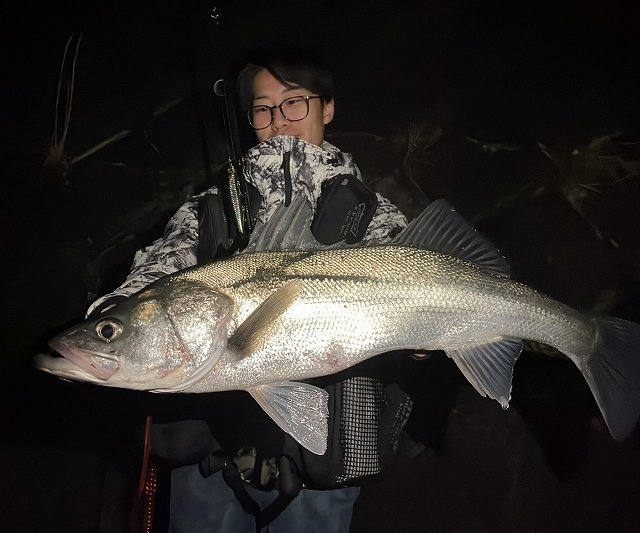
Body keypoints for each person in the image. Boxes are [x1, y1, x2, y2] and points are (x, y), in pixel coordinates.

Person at [87, 48, 413, 533]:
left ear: (327, 108)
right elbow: (155, 275)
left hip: (324, 471)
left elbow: (423, 302)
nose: (279, 120)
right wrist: (111, 321)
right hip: (211, 471)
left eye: (294, 101)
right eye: (263, 108)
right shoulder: (205, 210)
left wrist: (427, 344)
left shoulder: (378, 218)